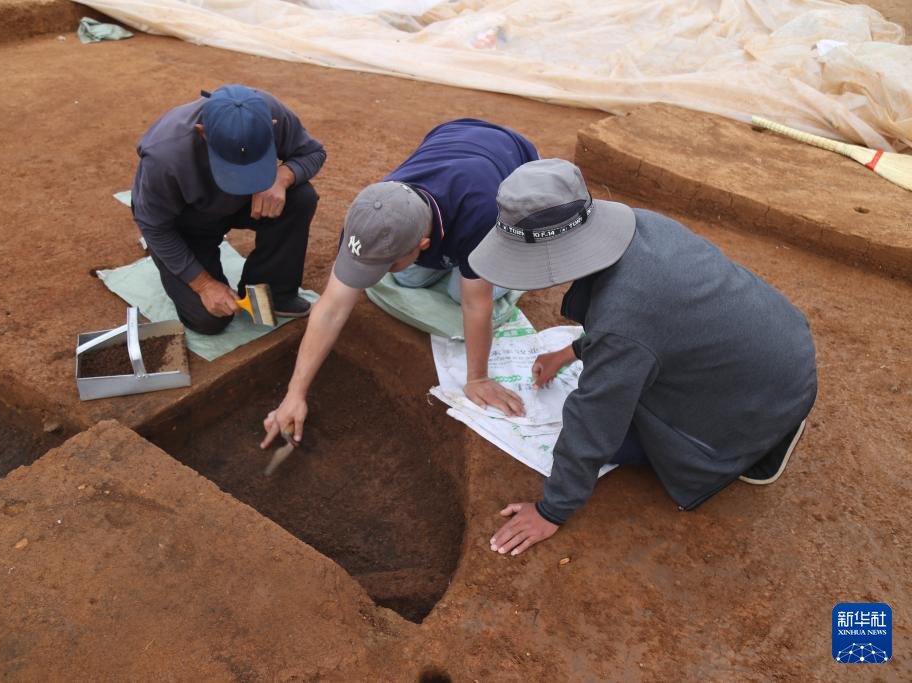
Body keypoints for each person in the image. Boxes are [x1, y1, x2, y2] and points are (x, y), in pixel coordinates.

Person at [467, 158, 818, 557]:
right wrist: (573, 350)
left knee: (609, 437)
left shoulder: (624, 322)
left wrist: (552, 510)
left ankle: (757, 448)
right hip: (782, 349)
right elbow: (667, 321)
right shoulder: (642, 224)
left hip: (759, 400)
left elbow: (596, 419)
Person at [260, 119, 539, 449]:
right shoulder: (370, 213)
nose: (378, 274)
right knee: (407, 275)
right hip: (452, 134)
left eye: (387, 262)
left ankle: (504, 257)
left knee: (460, 291)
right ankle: (441, 261)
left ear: (423, 245)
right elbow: (332, 306)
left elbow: (475, 304)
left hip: (513, 163)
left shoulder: (480, 213)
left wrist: (477, 378)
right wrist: (295, 394)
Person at [131, 85, 325, 334]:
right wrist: (204, 285)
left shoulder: (269, 111)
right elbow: (154, 226)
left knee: (300, 197)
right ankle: (175, 261)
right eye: (230, 166)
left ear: (271, 125)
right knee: (209, 319)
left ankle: (273, 291)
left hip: (245, 202)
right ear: (203, 133)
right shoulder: (166, 154)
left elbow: (313, 152)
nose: (239, 176)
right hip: (188, 221)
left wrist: (283, 177)